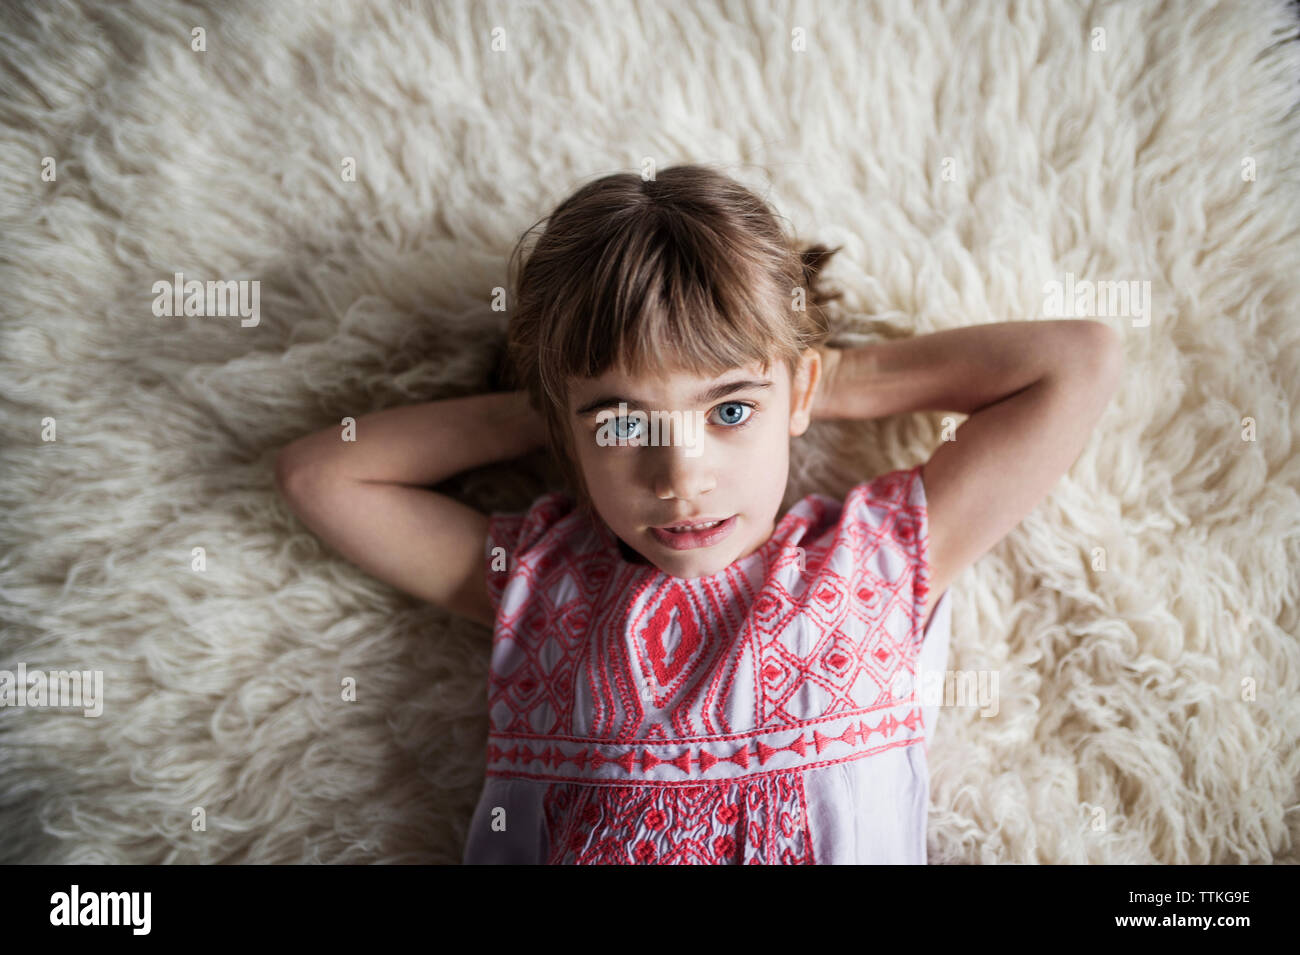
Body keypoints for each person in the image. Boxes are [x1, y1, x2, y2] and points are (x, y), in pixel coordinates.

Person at [275, 163, 1124, 864]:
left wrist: (816, 381)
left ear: (797, 389)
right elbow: (321, 475)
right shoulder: (542, 585)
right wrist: (556, 405)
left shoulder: (873, 564)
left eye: (728, 412)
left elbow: (1078, 361)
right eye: (625, 423)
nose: (681, 477)